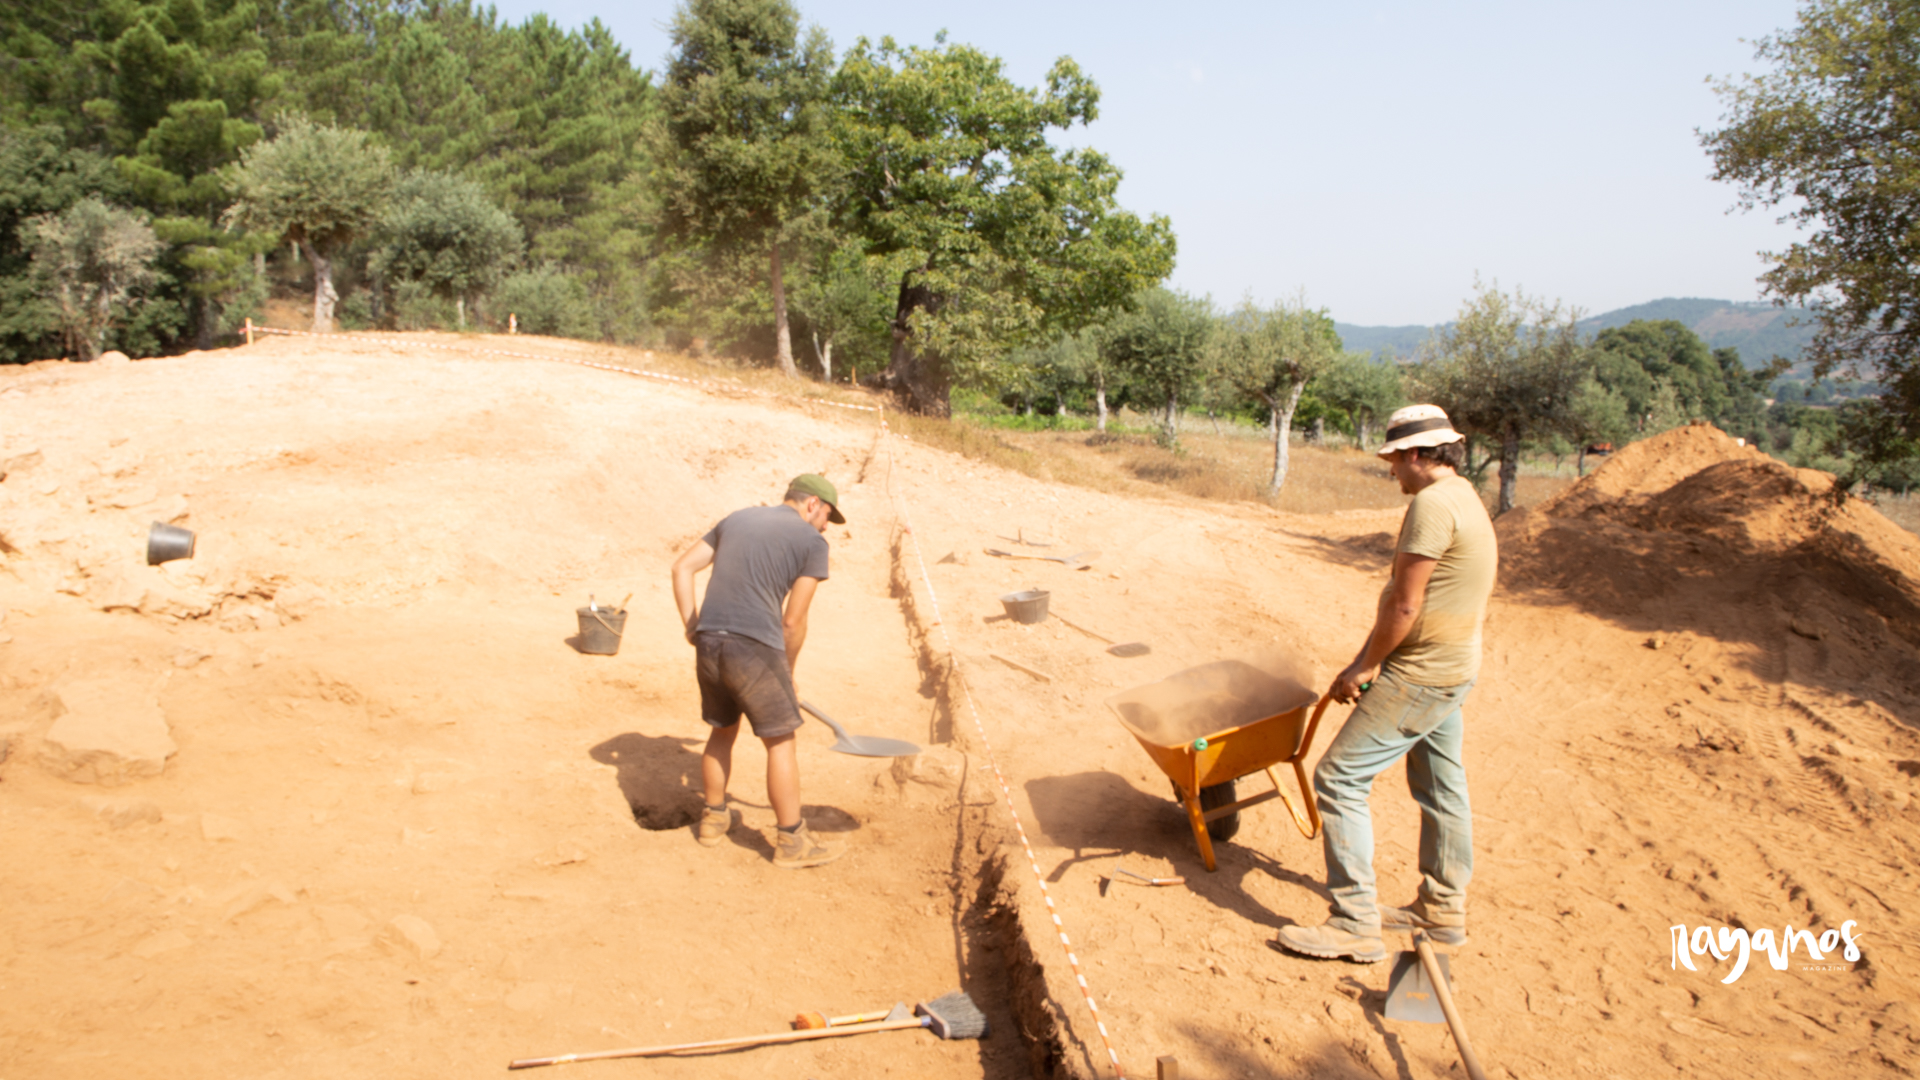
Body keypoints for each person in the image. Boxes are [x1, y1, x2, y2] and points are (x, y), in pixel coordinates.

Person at [1274, 404, 1497, 962]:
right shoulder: (1465, 496)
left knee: (1339, 778)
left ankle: (1353, 923)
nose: (1392, 471)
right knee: (1441, 786)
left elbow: (1404, 605)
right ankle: (1442, 910)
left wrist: (1365, 668)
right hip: (1452, 668)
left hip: (1419, 675)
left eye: (1395, 460)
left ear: (1419, 455)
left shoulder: (1431, 505)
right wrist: (1359, 661)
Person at [670, 474, 848, 870]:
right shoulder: (811, 542)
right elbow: (792, 622)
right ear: (814, 505)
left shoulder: (737, 518)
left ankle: (714, 820)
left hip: (711, 641)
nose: (823, 527)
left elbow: (682, 568)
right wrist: (787, 670)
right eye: (826, 518)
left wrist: (692, 626)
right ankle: (791, 841)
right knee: (781, 742)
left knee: (722, 728)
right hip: (754, 647)